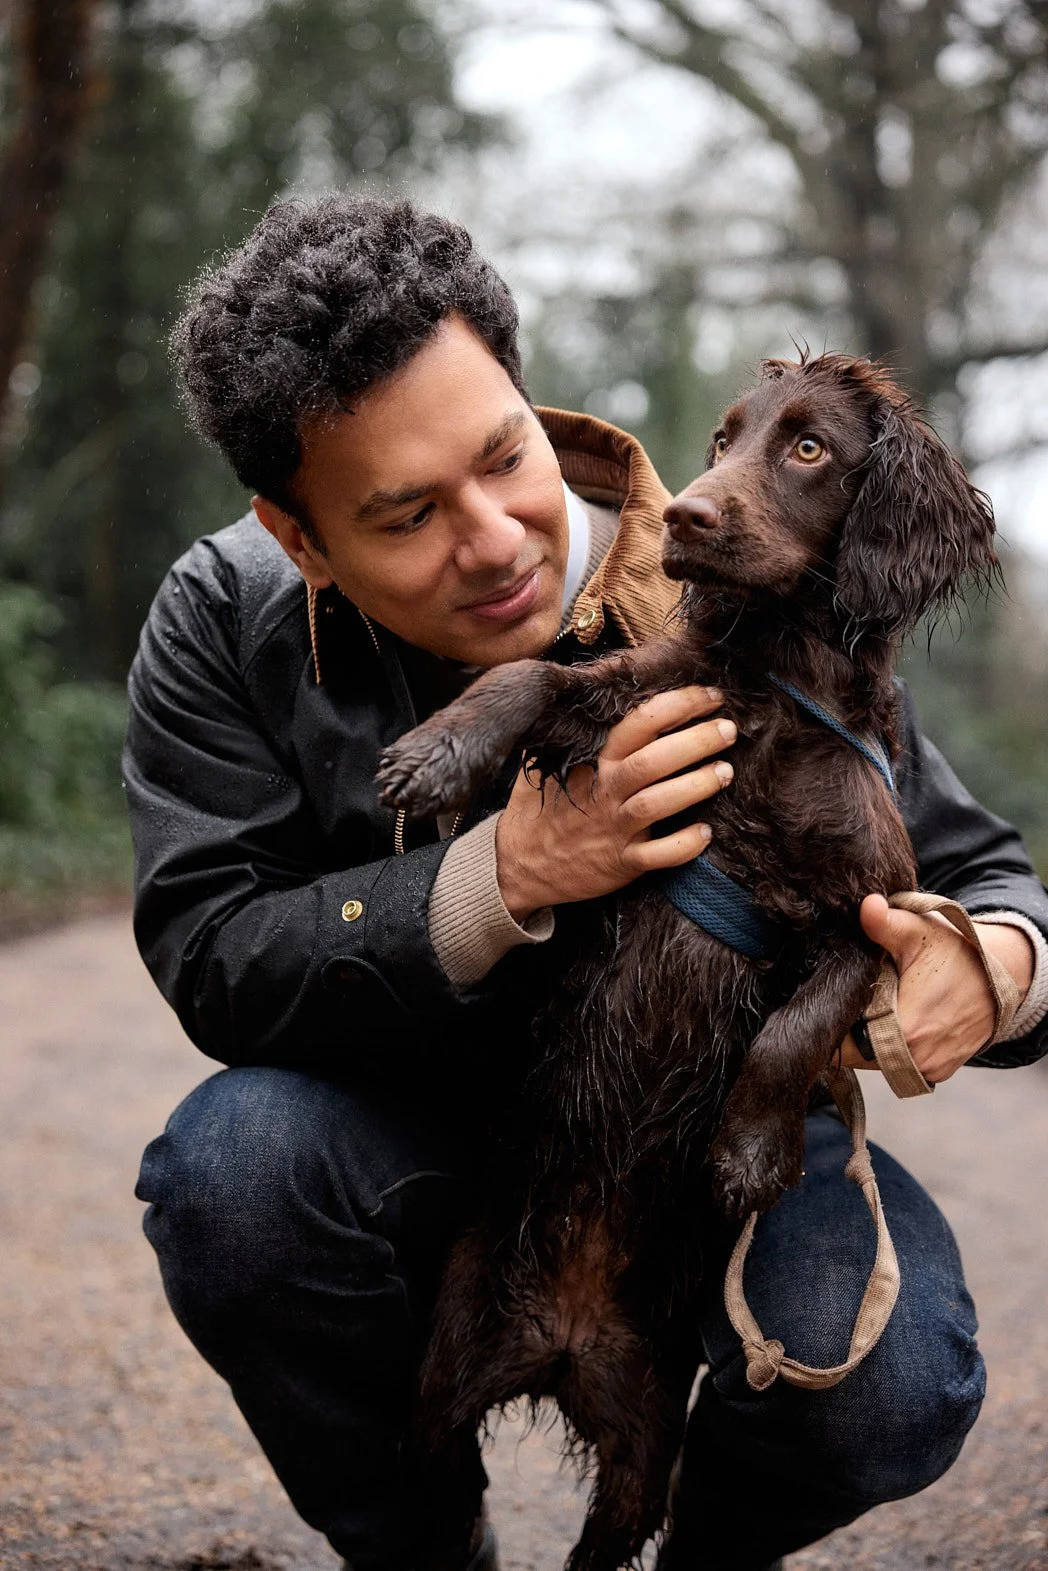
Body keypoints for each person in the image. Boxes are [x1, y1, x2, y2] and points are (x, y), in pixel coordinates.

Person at [127, 194, 1048, 1571]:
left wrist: (998, 962)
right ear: (300, 533)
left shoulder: (755, 588)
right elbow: (210, 948)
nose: (497, 536)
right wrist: (496, 875)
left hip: (716, 1141)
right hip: (429, 1127)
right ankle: (421, 1548)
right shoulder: (219, 619)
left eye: (505, 457)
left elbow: (990, 878)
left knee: (897, 1385)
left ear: (522, 389)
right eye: (406, 515)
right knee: (232, 1174)